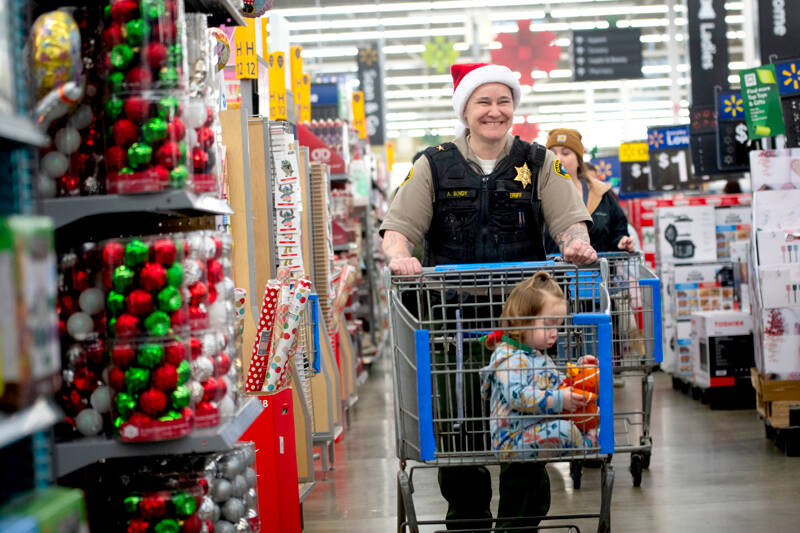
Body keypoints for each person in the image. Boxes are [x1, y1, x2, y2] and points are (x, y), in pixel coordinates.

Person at [380, 62, 598, 531]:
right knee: (458, 428)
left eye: (504, 101)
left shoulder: (541, 162)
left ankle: (519, 527)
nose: (495, 111)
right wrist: (400, 255)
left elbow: (569, 220)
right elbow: (398, 229)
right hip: (450, 322)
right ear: (465, 109)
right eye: (484, 101)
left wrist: (575, 243)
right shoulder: (432, 163)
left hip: (525, 321)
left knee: (528, 424)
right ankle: (469, 523)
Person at [480, 272, 599, 460]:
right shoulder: (508, 358)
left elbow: (557, 383)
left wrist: (579, 373)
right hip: (512, 441)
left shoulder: (536, 355)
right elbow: (517, 396)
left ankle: (584, 440)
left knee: (584, 414)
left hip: (535, 430)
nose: (554, 333)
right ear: (522, 321)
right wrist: (560, 399)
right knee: (564, 430)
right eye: (548, 325)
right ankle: (586, 445)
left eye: (557, 327)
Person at [544, 129, 634, 253]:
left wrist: (621, 241)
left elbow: (618, 228)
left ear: (578, 160)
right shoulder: (539, 194)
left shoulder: (600, 193)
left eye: (565, 153)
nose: (558, 159)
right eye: (552, 154)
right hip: (553, 271)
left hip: (598, 270)